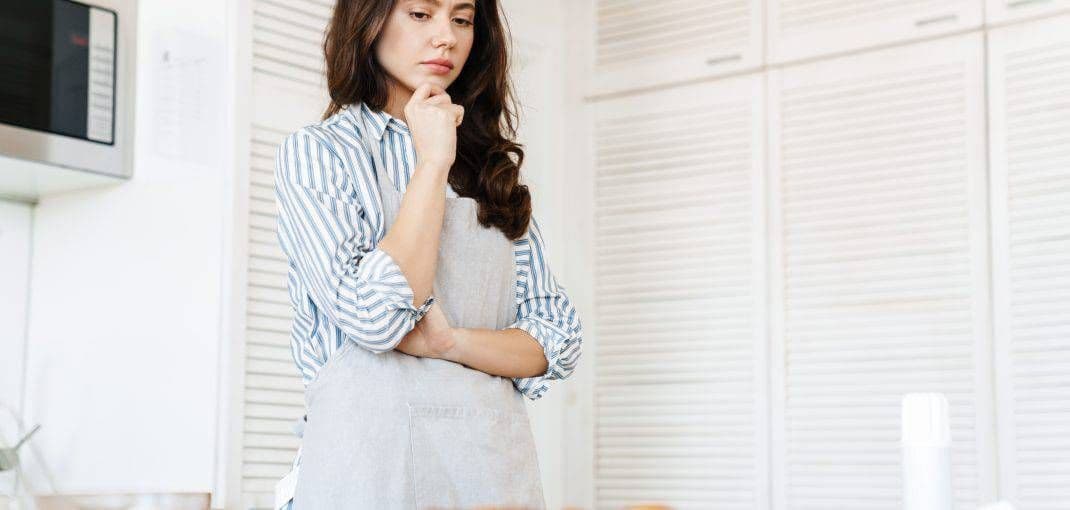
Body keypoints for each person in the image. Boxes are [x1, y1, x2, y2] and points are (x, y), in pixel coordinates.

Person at [271, 0, 583, 507]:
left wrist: (448, 343)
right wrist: (433, 162)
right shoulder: (321, 153)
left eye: (462, 20)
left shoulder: (489, 171)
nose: (447, 37)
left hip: (488, 476)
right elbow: (376, 318)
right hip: (365, 474)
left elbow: (557, 338)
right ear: (367, 21)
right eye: (421, 14)